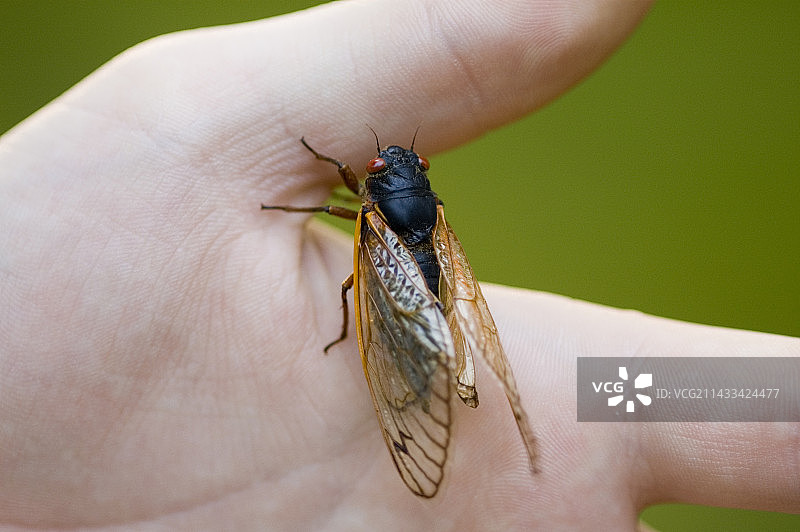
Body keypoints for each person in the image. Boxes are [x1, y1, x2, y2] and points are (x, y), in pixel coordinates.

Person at [1, 1, 797, 529]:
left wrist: (309, 193)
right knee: (408, 296)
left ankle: (448, 373)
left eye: (387, 170)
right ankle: (461, 376)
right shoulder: (406, 202)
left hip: (397, 268)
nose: (383, 168)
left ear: (379, 187)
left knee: (362, 285)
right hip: (422, 258)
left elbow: (346, 212)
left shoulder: (366, 209)